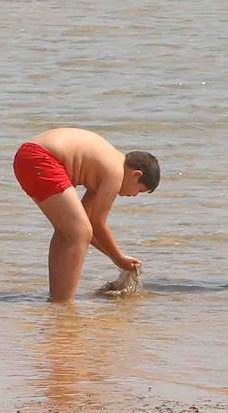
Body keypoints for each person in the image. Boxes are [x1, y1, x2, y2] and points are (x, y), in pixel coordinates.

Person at [13, 127, 160, 302]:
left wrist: (115, 257)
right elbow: (97, 224)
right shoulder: (116, 172)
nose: (134, 195)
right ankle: (65, 303)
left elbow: (89, 227)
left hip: (28, 155)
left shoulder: (103, 168)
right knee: (78, 232)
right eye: (139, 190)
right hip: (42, 158)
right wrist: (118, 258)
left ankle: (57, 299)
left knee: (69, 231)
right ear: (136, 175)